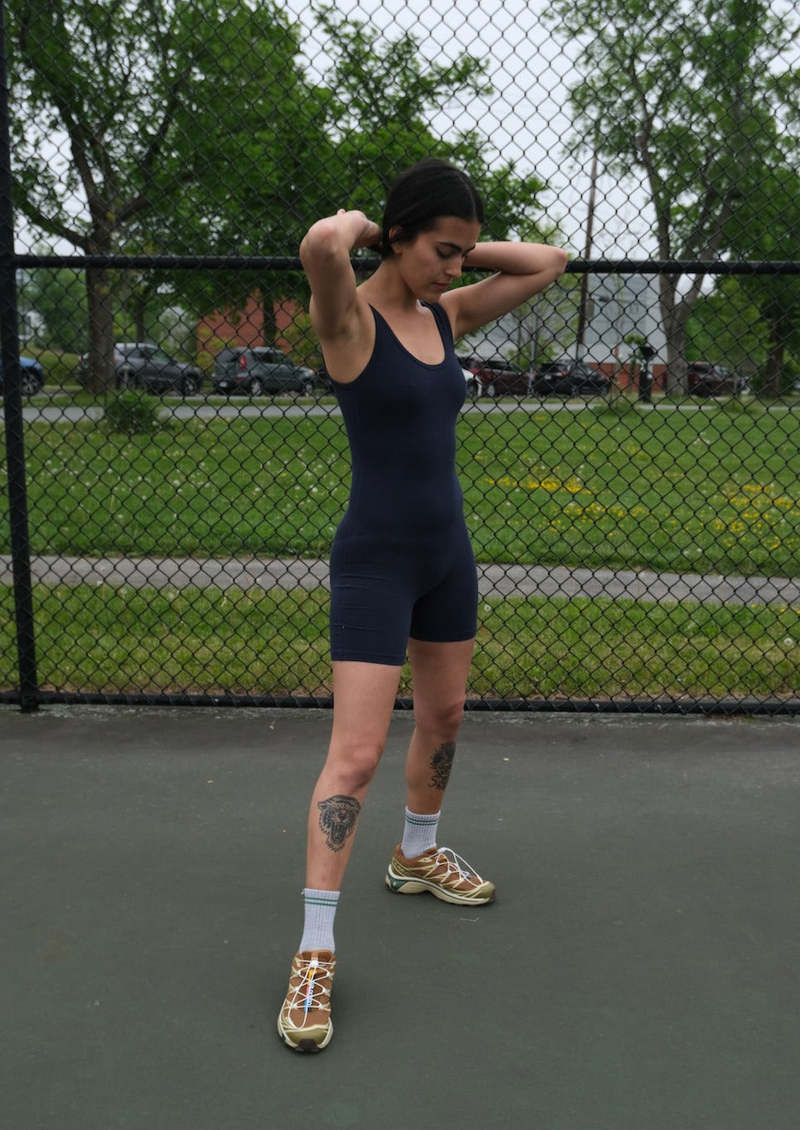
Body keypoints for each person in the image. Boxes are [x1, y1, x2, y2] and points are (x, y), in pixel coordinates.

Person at [277, 158, 567, 1052]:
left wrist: (455, 246)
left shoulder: (446, 313)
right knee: (357, 753)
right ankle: (314, 951)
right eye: (442, 251)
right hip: (375, 563)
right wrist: (374, 228)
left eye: (463, 253)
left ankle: (416, 853)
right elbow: (322, 243)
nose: (457, 267)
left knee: (444, 716)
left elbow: (549, 262)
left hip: (447, 557)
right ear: (397, 238)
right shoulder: (348, 320)